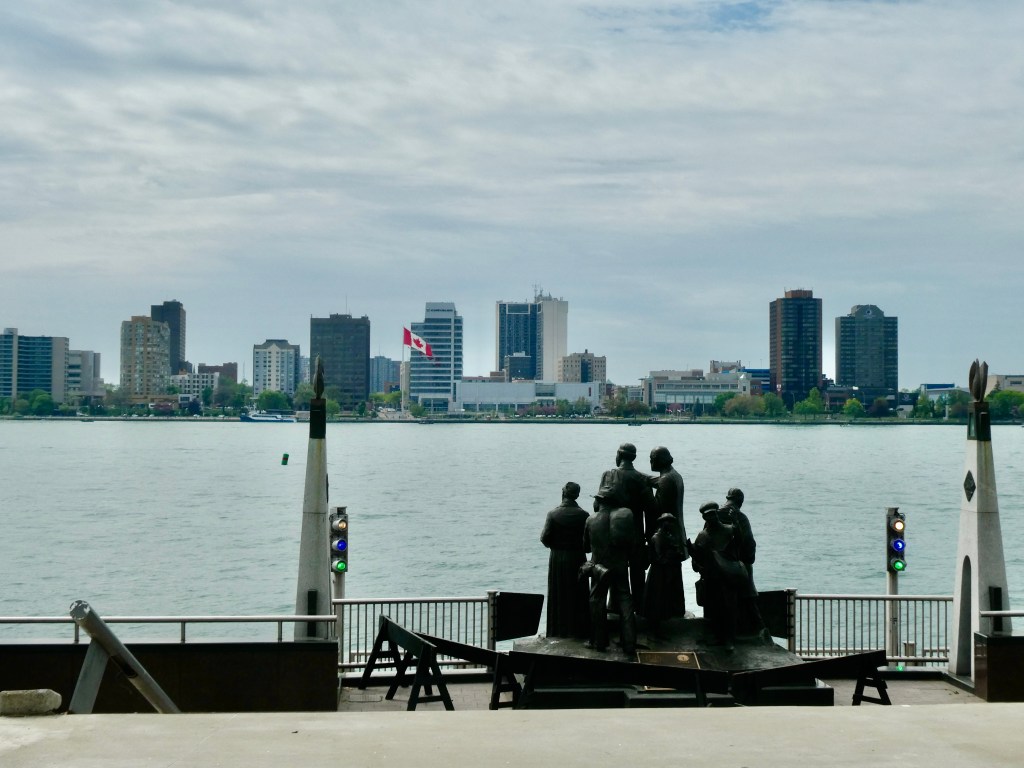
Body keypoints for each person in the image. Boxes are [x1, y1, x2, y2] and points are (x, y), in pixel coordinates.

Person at [582, 480, 637, 656]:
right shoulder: (625, 516)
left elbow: (586, 547)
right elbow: (632, 542)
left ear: (600, 501)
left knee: (596, 601)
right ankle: (629, 643)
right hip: (620, 565)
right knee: (625, 601)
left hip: (600, 568)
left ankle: (599, 642)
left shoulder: (591, 519)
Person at [604, 443, 656, 610]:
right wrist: (649, 535)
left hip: (613, 532)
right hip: (636, 533)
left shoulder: (608, 476)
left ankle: (615, 606)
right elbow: (651, 509)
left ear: (618, 455)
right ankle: (640, 607)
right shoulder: (641, 479)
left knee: (615, 571)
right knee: (637, 573)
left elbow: (599, 506)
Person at [688, 501, 746, 649]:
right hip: (711, 578)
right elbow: (698, 558)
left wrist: (736, 524)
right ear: (704, 518)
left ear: (717, 514)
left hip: (727, 578)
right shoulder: (703, 536)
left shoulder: (729, 530)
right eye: (708, 516)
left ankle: (729, 639)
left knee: (729, 609)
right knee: (713, 609)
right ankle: (715, 637)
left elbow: (740, 543)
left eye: (713, 514)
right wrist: (692, 552)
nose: (711, 518)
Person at [540, 482, 591, 639]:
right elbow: (588, 544)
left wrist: (555, 546)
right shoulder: (584, 515)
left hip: (557, 558)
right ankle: (579, 629)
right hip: (577, 558)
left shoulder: (552, 514)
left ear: (563, 493)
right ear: (577, 495)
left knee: (558, 592)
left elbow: (544, 538)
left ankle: (558, 630)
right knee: (578, 593)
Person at [643, 512, 686, 635]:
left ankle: (659, 628)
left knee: (663, 599)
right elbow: (658, 557)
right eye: (668, 521)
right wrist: (673, 557)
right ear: (662, 523)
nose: (670, 523)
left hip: (664, 571)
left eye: (671, 521)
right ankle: (654, 630)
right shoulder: (657, 537)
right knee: (657, 599)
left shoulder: (668, 535)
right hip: (658, 573)